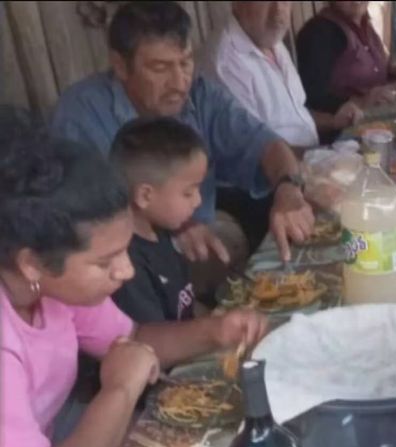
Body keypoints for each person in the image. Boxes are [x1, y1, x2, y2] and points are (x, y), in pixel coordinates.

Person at [0, 128, 269, 447]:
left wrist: (214, 331)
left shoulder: (53, 288)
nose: (125, 272)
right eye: (106, 262)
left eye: (125, 250)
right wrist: (118, 393)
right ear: (31, 264)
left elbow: (133, 340)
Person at [50, 0, 313, 265]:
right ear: (120, 65)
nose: (179, 83)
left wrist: (289, 191)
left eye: (185, 63)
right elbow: (83, 220)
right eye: (160, 68)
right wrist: (176, 227)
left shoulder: (200, 95)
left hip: (199, 239)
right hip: (123, 259)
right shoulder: (81, 115)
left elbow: (267, 146)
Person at [202, 1, 364, 149]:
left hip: (309, 159)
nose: (278, 11)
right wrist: (327, 156)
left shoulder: (271, 41)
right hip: (280, 176)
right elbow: (257, 156)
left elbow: (294, 116)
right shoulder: (226, 62)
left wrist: (333, 121)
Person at [109, 117, 204, 323]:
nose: (198, 201)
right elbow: (153, 341)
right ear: (145, 196)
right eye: (188, 193)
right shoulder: (128, 265)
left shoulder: (164, 231)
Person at [296, 1, 396, 120]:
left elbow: (377, 75)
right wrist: (362, 101)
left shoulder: (364, 23)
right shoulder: (317, 33)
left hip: (378, 122)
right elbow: (314, 99)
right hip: (345, 130)